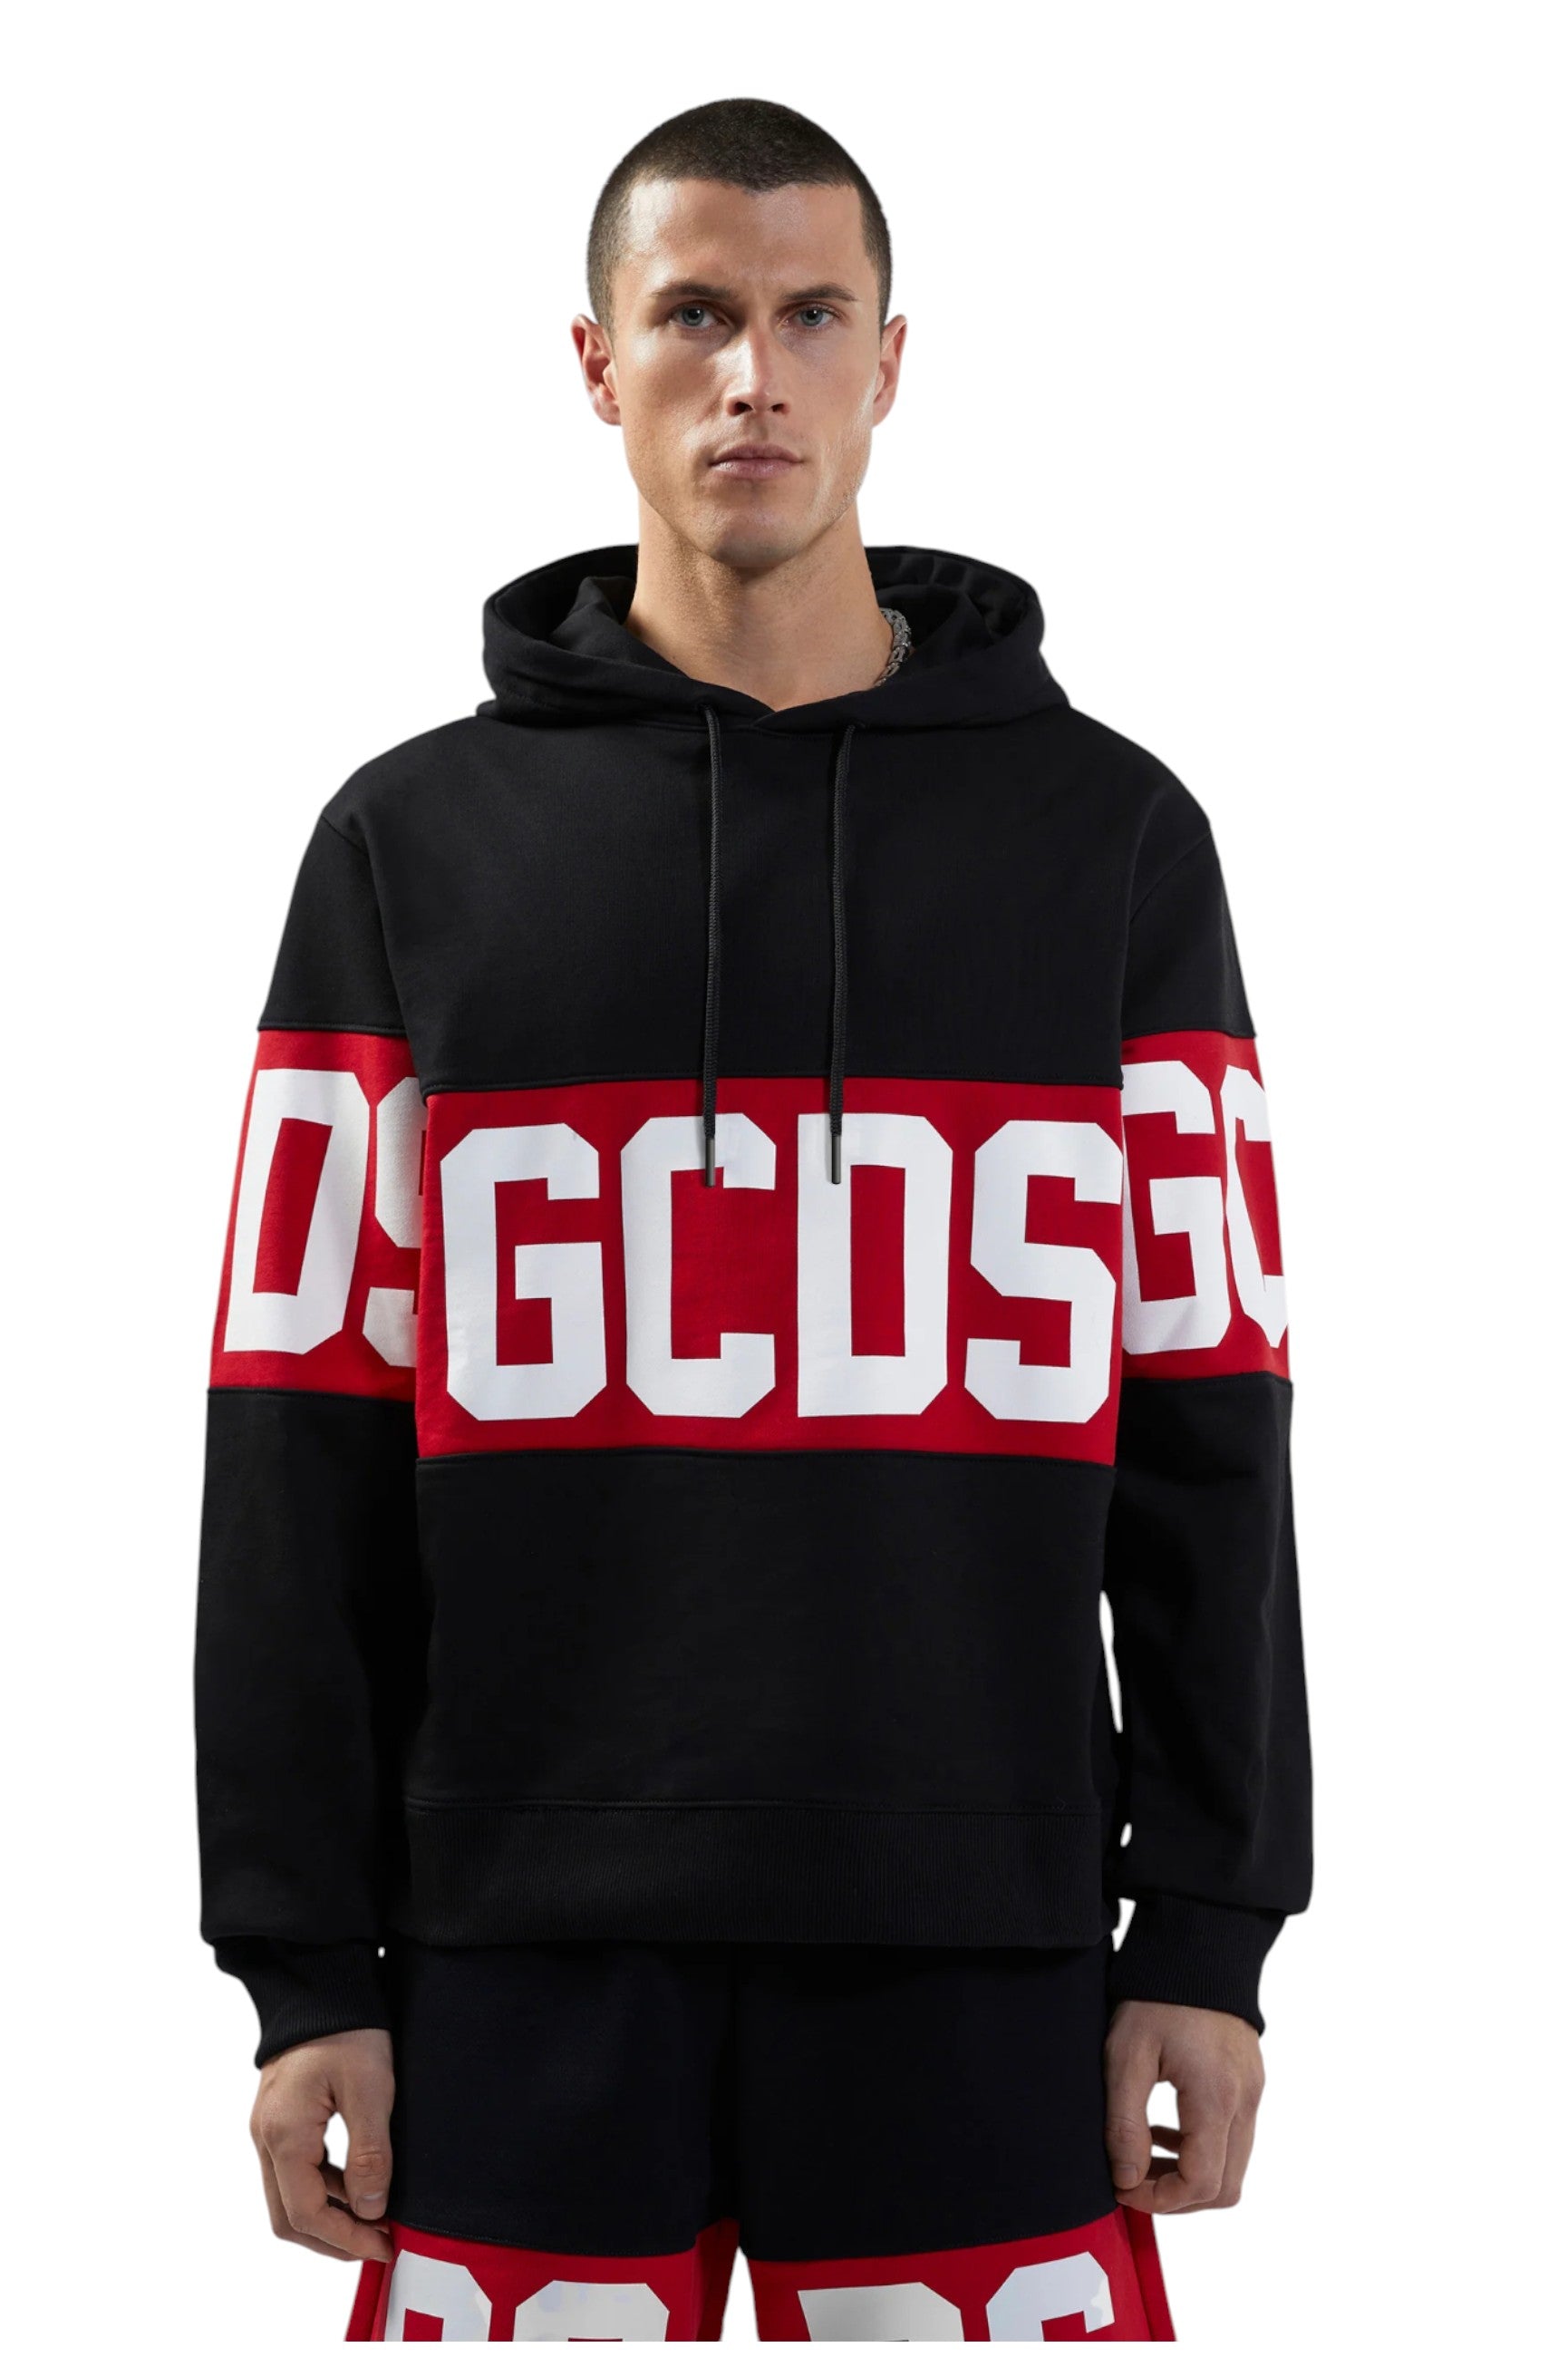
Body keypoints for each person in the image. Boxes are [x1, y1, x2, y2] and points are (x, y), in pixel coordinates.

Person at [195, 95, 1312, 2342]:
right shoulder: (411, 847)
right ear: (597, 361)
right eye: (695, 314)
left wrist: (1207, 1924)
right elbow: (301, 1430)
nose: (753, 379)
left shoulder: (1108, 840)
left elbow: (1211, 1412)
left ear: (890, 363)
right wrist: (305, 1966)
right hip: (513, 1943)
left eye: (811, 318)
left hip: (978, 1929)